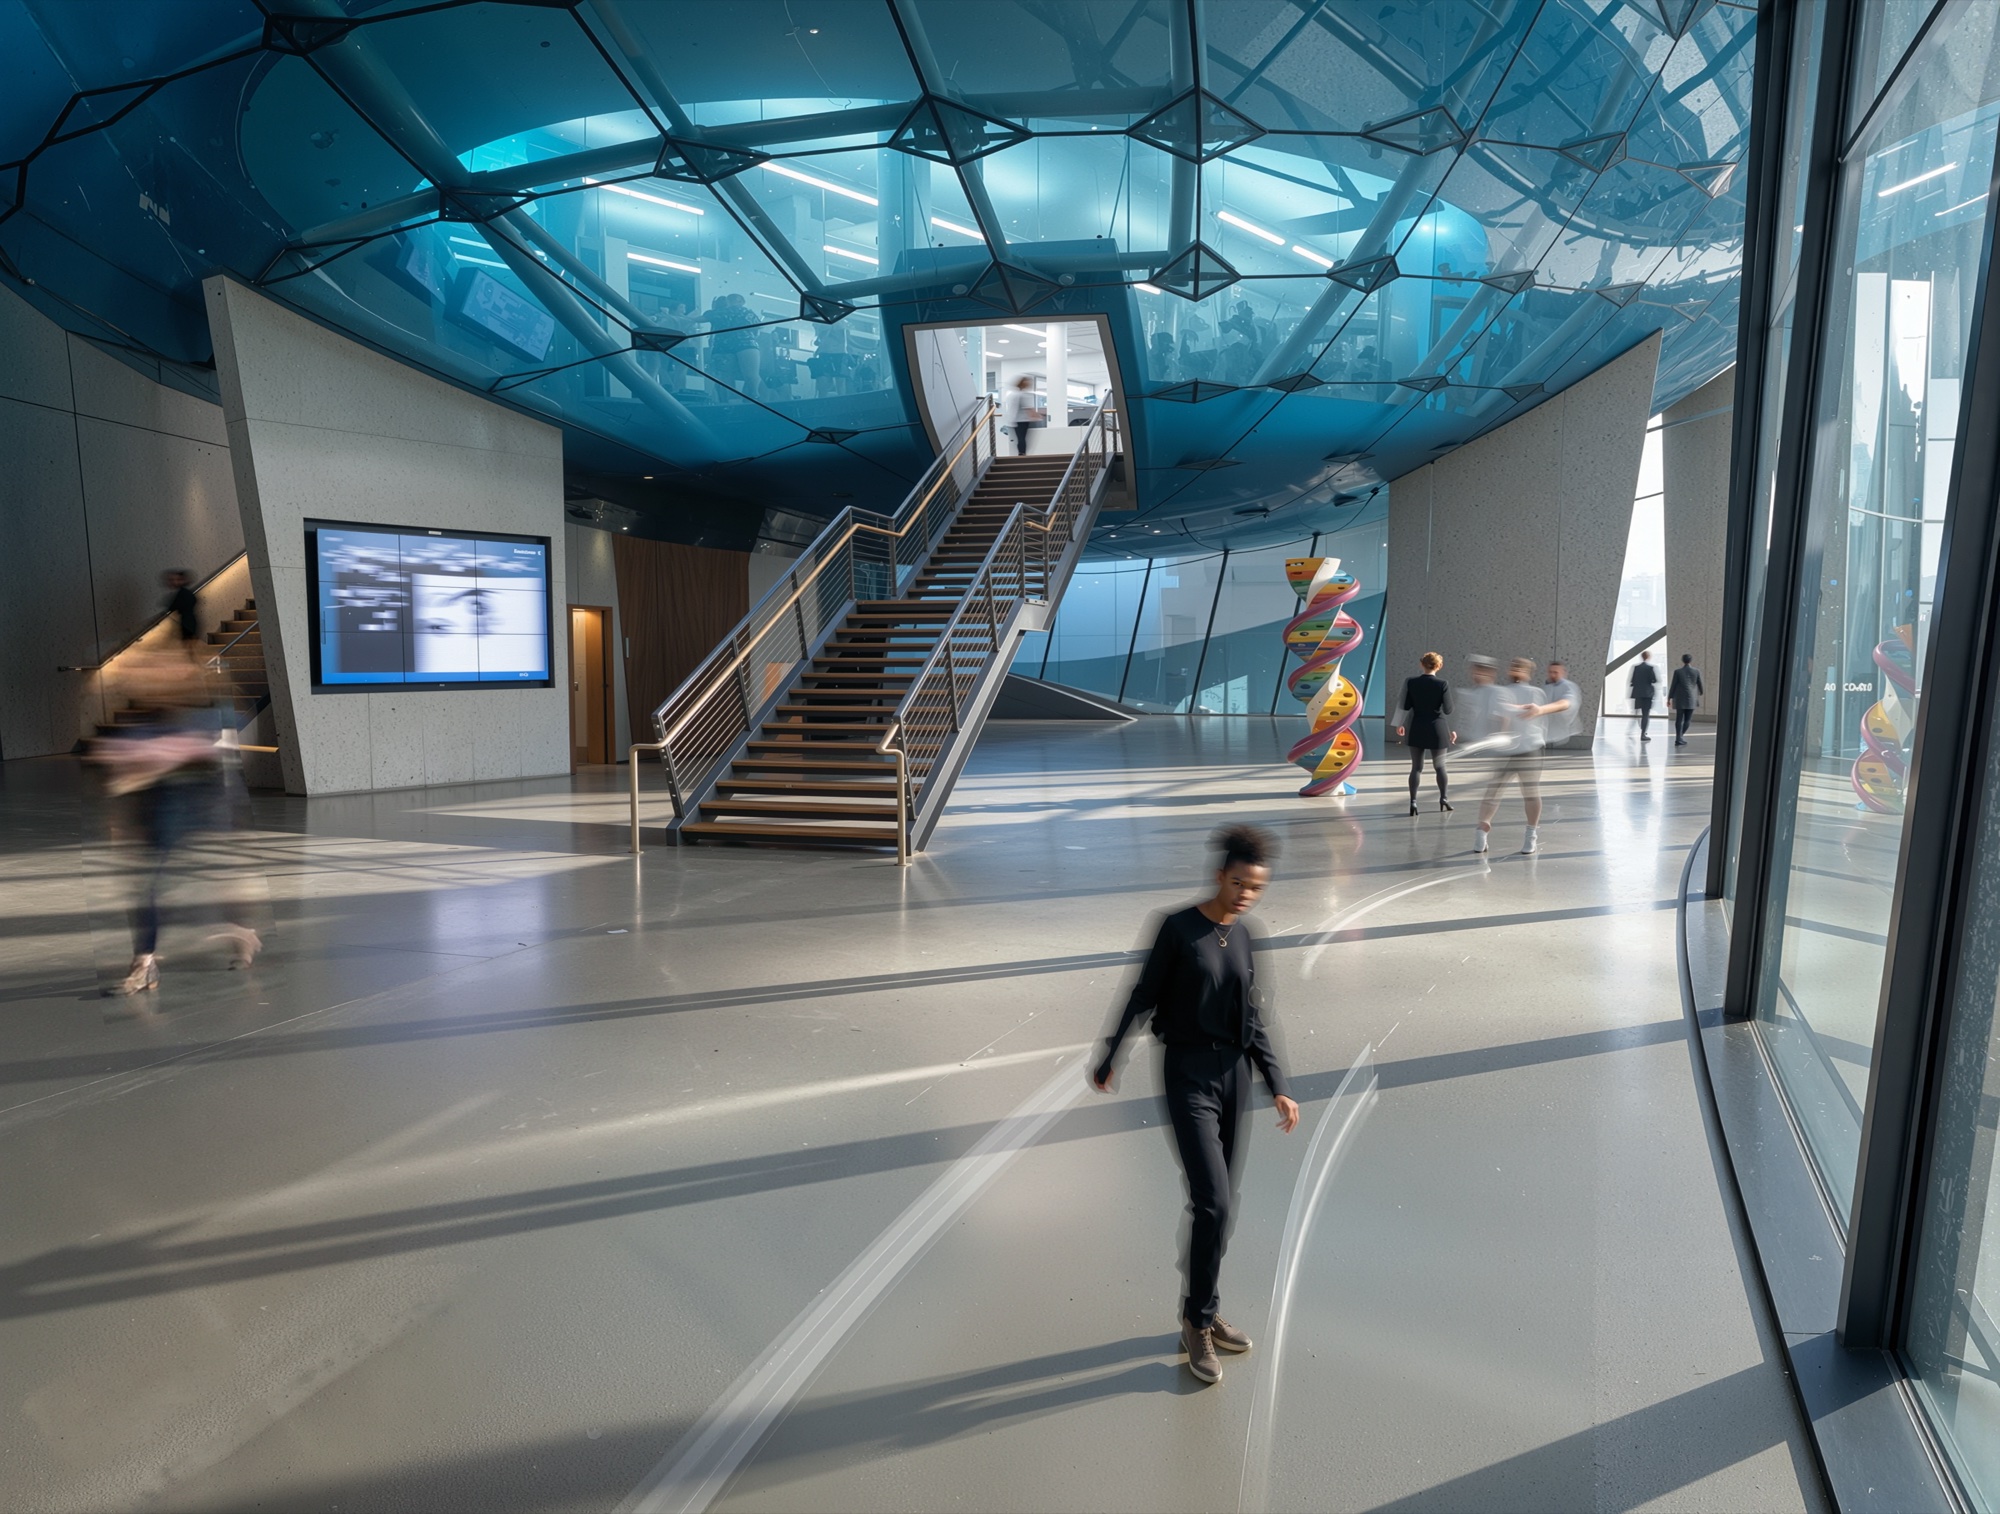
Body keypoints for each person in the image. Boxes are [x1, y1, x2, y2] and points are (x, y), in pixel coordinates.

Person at [1093, 825, 1300, 1386]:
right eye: (1238, 883)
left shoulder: (1248, 935)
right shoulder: (1178, 929)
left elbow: (1253, 1017)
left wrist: (1276, 1081)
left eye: (1256, 888)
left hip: (1233, 1076)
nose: (1245, 895)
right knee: (1212, 1203)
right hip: (1188, 1075)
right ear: (1219, 875)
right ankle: (1196, 1324)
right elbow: (1142, 995)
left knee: (1224, 1205)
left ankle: (1202, 1307)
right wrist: (1111, 1055)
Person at [1475, 657, 1569, 855]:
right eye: (1514, 667)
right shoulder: (1516, 692)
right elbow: (1507, 717)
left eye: (1518, 667)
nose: (1515, 670)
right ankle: (1484, 833)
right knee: (1503, 791)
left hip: (1525, 748)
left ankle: (1526, 835)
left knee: (1520, 792)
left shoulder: (1524, 692)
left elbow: (1508, 717)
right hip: (1516, 748)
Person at [1396, 651, 1455, 814]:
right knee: (1440, 767)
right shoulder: (1443, 684)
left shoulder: (1412, 683)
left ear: (1421, 664)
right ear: (1439, 666)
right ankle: (1444, 798)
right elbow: (1449, 710)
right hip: (1437, 727)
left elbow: (1406, 706)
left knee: (1416, 767)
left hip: (1417, 726)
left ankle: (1413, 802)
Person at [1543, 660, 1582, 747]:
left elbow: (1567, 702)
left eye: (1555, 672)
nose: (1552, 675)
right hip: (1548, 731)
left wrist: (1541, 710)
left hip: (1565, 733)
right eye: (1550, 672)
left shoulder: (1569, 686)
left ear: (1563, 673)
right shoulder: (1546, 687)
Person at [162, 569, 199, 658]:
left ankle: (193, 663)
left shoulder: (183, 593)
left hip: (187, 623)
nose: (173, 582)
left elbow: (173, 607)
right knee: (188, 647)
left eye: (176, 580)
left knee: (188, 647)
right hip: (188, 622)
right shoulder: (185, 593)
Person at [1670, 652, 1704, 745]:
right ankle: (1680, 737)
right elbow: (1700, 683)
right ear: (1690, 660)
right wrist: (1701, 691)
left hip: (1680, 698)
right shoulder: (1696, 671)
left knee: (1679, 719)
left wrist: (1670, 697)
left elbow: (1673, 685)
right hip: (1691, 698)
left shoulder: (1677, 672)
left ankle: (1678, 737)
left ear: (1682, 660)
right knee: (1687, 719)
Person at [999, 374, 1036, 455]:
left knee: (1020, 438)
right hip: (1022, 420)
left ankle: (1021, 452)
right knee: (1022, 438)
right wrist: (1036, 416)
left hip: (1016, 420)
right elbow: (1028, 408)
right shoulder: (1022, 395)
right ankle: (1022, 453)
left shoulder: (1013, 394)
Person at [1629, 649, 1660, 741]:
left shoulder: (1636, 668)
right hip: (1647, 694)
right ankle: (1643, 734)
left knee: (1637, 712)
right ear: (1649, 657)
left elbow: (1632, 681)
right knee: (1645, 714)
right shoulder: (1650, 668)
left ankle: (1638, 729)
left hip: (1638, 693)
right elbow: (1654, 680)